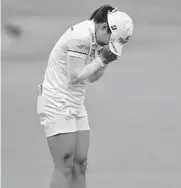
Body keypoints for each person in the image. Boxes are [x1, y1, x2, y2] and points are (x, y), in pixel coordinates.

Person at [37, 4, 133, 188]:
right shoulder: (80, 36)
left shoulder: (99, 39)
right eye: (112, 41)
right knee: (64, 164)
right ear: (105, 27)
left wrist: (104, 62)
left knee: (80, 163)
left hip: (76, 102)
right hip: (55, 102)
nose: (110, 46)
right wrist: (101, 59)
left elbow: (93, 78)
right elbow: (75, 76)